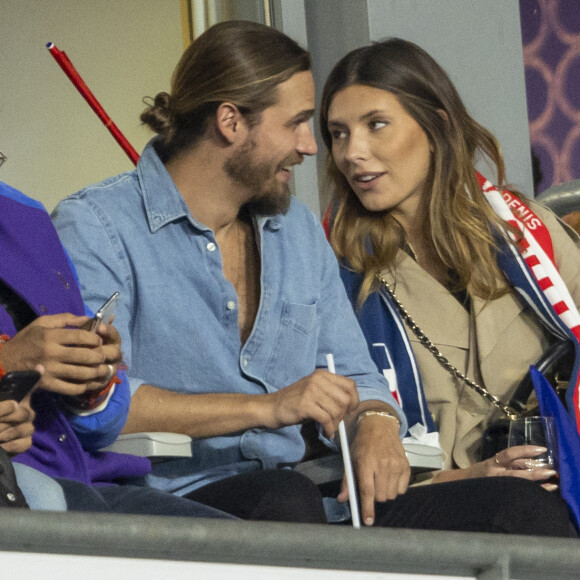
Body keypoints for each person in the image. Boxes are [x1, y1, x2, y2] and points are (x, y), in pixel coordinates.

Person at [53, 21, 571, 535]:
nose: (316, 148)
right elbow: (95, 403)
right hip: (167, 495)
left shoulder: (294, 229)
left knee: (518, 507)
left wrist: (374, 420)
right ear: (231, 122)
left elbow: (360, 378)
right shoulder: (97, 225)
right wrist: (268, 406)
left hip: (315, 503)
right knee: (285, 498)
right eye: (303, 124)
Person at [319, 38, 579, 525]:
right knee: (519, 509)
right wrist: (476, 476)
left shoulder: (527, 233)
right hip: (439, 502)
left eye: (376, 125)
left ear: (437, 125)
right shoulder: (332, 268)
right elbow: (338, 460)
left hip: (562, 479)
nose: (352, 152)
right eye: (338, 133)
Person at [0, 178, 233, 519]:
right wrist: (9, 362)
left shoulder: (28, 216)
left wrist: (93, 379)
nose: (308, 146)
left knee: (258, 548)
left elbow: (102, 424)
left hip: (90, 478)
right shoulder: (87, 218)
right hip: (30, 488)